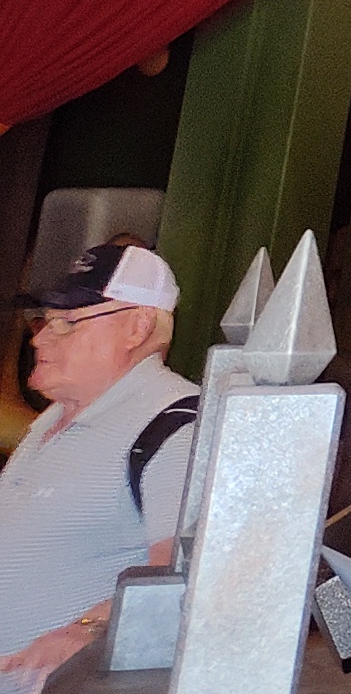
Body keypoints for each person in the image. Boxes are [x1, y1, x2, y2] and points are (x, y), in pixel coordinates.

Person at [0, 243, 196, 694]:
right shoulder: (53, 419)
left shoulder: (174, 426)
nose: (39, 340)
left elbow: (183, 574)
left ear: (137, 327)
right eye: (44, 321)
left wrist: (87, 632)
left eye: (67, 324)